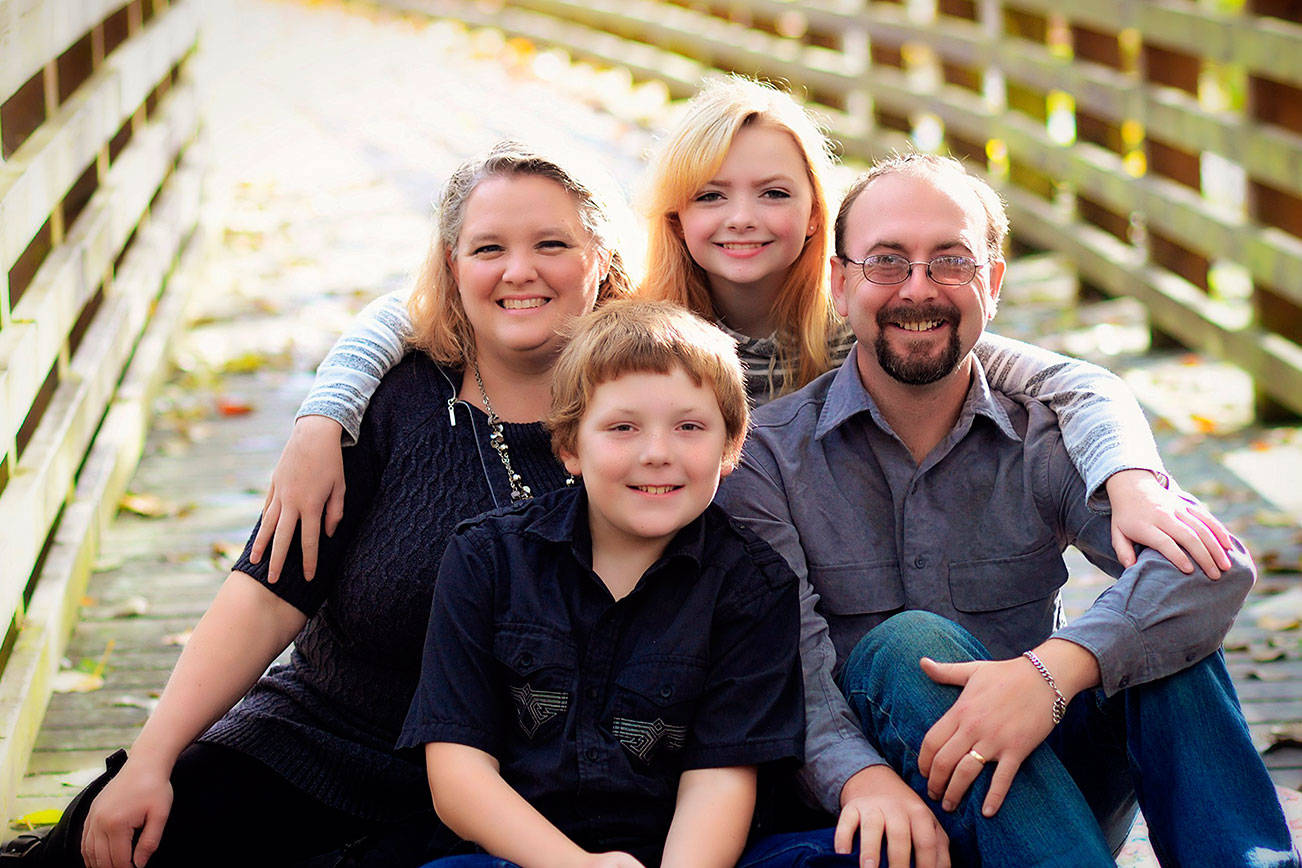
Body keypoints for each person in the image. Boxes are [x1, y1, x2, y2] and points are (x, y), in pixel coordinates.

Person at [249, 75, 1233, 595]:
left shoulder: (865, 320)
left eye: (774, 192)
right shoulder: (638, 321)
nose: (743, 218)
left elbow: (1072, 380)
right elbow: (419, 306)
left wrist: (1129, 477)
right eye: (712, 194)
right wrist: (323, 417)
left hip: (853, 596)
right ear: (675, 213)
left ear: (817, 212)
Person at [7, 141, 634, 868]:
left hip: (521, 792)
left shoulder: (646, 416)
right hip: (323, 742)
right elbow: (267, 594)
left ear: (603, 258)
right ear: (453, 264)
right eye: (488, 248)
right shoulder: (390, 403)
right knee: (120, 831)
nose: (518, 271)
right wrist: (152, 757)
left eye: (552, 244)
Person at [717, 152, 1298, 867]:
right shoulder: (768, 458)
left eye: (951, 262)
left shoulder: (1043, 438)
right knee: (907, 646)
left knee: (1165, 638)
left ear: (991, 284)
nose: (919, 288)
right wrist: (857, 778)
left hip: (1045, 799)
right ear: (840, 284)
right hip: (879, 814)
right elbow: (788, 673)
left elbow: (1212, 568)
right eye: (887, 262)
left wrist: (1052, 672)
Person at [399, 300, 814, 868]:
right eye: (623, 428)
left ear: (729, 447)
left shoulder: (753, 588)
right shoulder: (486, 559)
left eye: (689, 427)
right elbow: (457, 774)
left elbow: (719, 782)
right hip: (519, 856)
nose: (658, 454)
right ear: (570, 445)